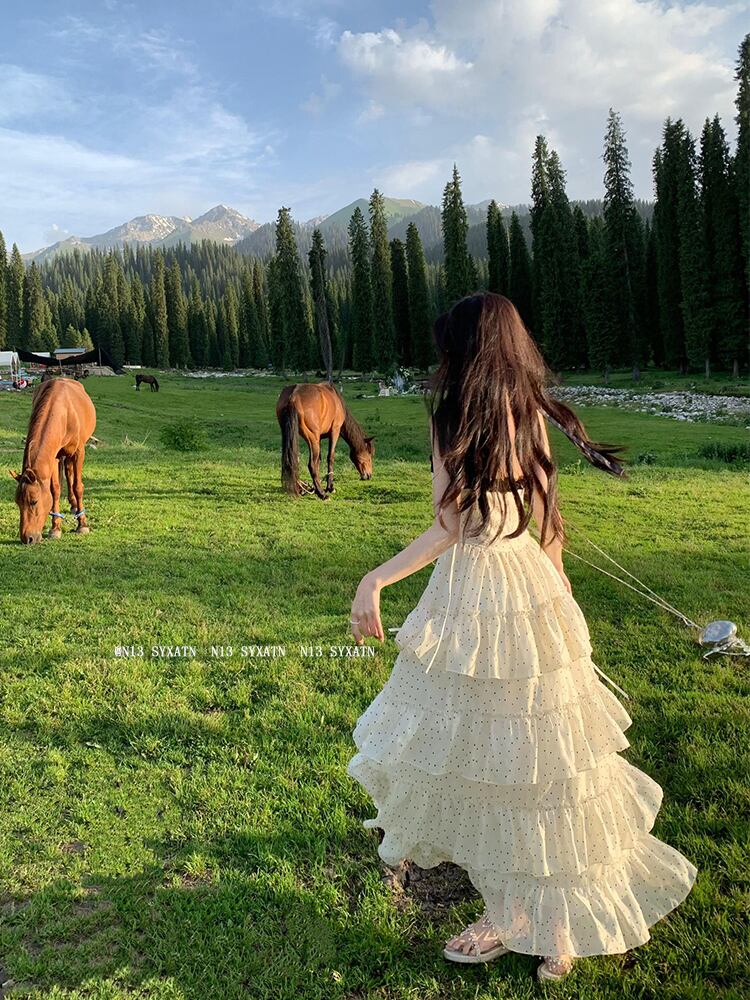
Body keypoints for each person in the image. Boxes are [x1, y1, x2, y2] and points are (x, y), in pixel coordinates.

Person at [346, 292, 697, 982]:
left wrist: (375, 579)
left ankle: (527, 918)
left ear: (465, 352)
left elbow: (450, 528)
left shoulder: (451, 417)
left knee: (498, 760)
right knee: (539, 763)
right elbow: (549, 521)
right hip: (527, 585)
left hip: (476, 592)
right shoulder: (530, 410)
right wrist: (555, 589)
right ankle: (533, 920)